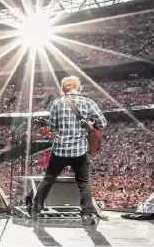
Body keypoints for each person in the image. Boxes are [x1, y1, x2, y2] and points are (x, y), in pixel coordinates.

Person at [29, 76, 107, 225]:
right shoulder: (89, 103)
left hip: (60, 150)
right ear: (78, 88)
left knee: (48, 179)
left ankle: (35, 209)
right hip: (80, 150)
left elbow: (51, 127)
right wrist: (88, 124)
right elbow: (102, 123)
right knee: (83, 183)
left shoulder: (57, 103)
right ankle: (87, 214)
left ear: (64, 89)